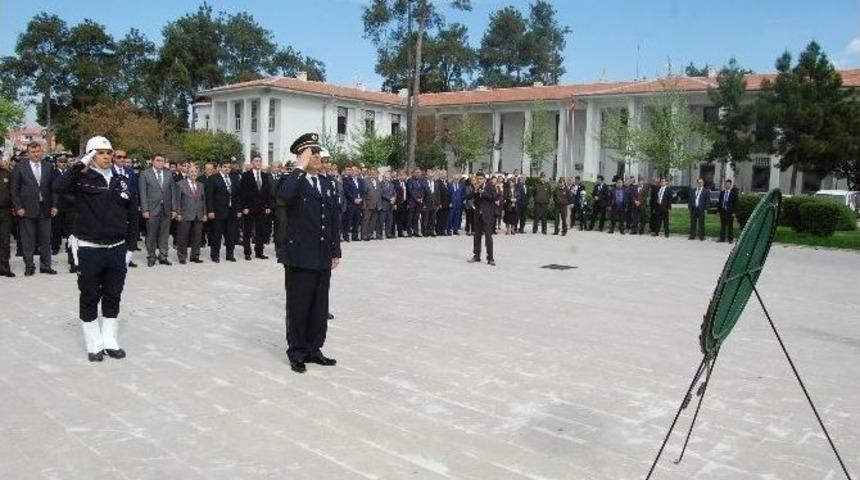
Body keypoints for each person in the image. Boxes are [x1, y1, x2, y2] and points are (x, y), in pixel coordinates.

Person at [54, 136, 136, 362]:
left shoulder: (122, 181)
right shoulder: (81, 181)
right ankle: (94, 343)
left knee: (113, 295)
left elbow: (132, 216)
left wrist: (130, 246)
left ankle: (110, 340)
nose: (107, 156)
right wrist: (81, 163)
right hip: (89, 249)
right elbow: (58, 187)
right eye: (100, 152)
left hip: (117, 249)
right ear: (91, 156)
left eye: (109, 152)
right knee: (90, 296)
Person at [277, 133, 341, 374]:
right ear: (301, 156)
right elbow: (283, 198)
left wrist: (335, 250)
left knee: (319, 305)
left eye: (318, 153)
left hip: (322, 254)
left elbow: (334, 219)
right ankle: (297, 351)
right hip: (300, 256)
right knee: (299, 305)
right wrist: (299, 167)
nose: (318, 157)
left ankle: (315, 348)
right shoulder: (293, 180)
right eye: (312, 153)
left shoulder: (326, 183)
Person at [11, 142, 58, 276]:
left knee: (46, 238)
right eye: (33, 152)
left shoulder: (48, 167)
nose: (36, 154)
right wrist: (18, 207)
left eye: (38, 151)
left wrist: (54, 205)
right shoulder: (20, 167)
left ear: (41, 151)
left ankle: (45, 266)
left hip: (46, 208)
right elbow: (14, 190)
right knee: (28, 240)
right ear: (28, 153)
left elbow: (54, 188)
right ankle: (29, 266)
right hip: (26, 209)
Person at [139, 153, 176, 266]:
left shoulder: (169, 174)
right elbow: (143, 193)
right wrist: (145, 209)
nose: (161, 162)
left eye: (162, 161)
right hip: (151, 209)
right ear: (152, 161)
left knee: (165, 234)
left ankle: (163, 256)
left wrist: (174, 209)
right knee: (151, 234)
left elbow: (173, 192)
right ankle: (151, 256)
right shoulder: (145, 174)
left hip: (166, 208)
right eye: (158, 160)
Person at [206, 161, 242, 262]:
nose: (227, 169)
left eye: (229, 167)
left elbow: (238, 196)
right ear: (220, 167)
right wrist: (210, 210)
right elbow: (209, 196)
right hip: (218, 211)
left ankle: (230, 255)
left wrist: (239, 209)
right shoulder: (213, 178)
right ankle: (215, 255)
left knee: (231, 235)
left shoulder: (234, 178)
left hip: (232, 211)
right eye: (225, 167)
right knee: (217, 235)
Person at [240, 155, 273, 260]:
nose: (258, 163)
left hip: (262, 208)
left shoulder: (265, 175)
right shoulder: (246, 175)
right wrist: (244, 206)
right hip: (249, 208)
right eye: (256, 161)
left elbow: (267, 192)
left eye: (260, 161)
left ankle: (259, 252)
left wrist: (268, 205)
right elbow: (243, 192)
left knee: (260, 231)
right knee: (247, 231)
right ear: (252, 163)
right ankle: (247, 252)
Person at [174, 164, 207, 264]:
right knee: (183, 237)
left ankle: (195, 256)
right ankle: (182, 257)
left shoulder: (201, 185)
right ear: (187, 173)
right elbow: (177, 200)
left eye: (195, 172)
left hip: (198, 214)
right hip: (185, 214)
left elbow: (203, 200)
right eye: (191, 172)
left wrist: (204, 213)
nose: (193, 174)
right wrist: (178, 213)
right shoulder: (180, 184)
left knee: (197, 237)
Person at [467, 172, 496, 266]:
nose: (479, 180)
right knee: (477, 236)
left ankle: (490, 258)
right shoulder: (475, 187)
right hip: (477, 215)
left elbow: (493, 198)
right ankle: (476, 255)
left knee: (488, 237)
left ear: (484, 179)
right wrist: (475, 191)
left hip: (487, 215)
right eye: (478, 178)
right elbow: (468, 197)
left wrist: (483, 193)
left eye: (481, 179)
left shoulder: (490, 187)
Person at [342, 166, 363, 241]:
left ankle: (355, 236)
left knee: (357, 220)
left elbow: (362, 191)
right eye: (352, 170)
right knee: (349, 220)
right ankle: (346, 235)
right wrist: (353, 199)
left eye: (356, 170)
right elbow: (346, 191)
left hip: (359, 203)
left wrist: (361, 198)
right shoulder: (346, 180)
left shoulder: (360, 180)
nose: (354, 172)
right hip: (351, 203)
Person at [0, 157, 13, 277]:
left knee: (5, 240)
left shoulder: (7, 174)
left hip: (5, 211)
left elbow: (12, 192)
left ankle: (4, 267)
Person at [717, 179, 739, 243]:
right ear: (725, 185)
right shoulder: (722, 192)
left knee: (730, 226)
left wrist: (734, 212)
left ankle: (730, 239)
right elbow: (719, 202)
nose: (727, 185)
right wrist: (718, 211)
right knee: (722, 226)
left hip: (730, 212)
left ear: (730, 185)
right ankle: (722, 238)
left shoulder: (733, 193)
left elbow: (736, 203)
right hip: (723, 211)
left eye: (728, 184)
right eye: (726, 184)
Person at [361, 169, 381, 240]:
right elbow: (363, 193)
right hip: (368, 204)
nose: (373, 174)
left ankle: (370, 234)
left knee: (373, 220)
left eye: (375, 173)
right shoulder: (365, 181)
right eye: (372, 173)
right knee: (366, 220)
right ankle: (364, 235)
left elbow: (379, 194)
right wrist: (364, 204)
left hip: (376, 204)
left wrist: (379, 204)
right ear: (369, 173)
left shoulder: (378, 182)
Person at [406, 169, 424, 237]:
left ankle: (416, 231)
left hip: (419, 202)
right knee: (410, 217)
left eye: (419, 172)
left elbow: (423, 190)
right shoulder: (410, 180)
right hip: (412, 202)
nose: (418, 174)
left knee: (416, 217)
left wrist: (422, 197)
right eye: (416, 172)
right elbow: (410, 191)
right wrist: (417, 199)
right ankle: (409, 231)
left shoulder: (421, 180)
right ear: (413, 173)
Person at [379, 171, 396, 239]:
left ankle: (388, 233)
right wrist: (390, 199)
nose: (387, 178)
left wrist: (394, 198)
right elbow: (382, 194)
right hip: (384, 205)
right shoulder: (380, 184)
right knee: (381, 221)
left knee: (389, 221)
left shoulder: (392, 184)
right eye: (386, 177)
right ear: (383, 177)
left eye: (388, 177)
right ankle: (379, 234)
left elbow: (394, 193)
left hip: (390, 206)